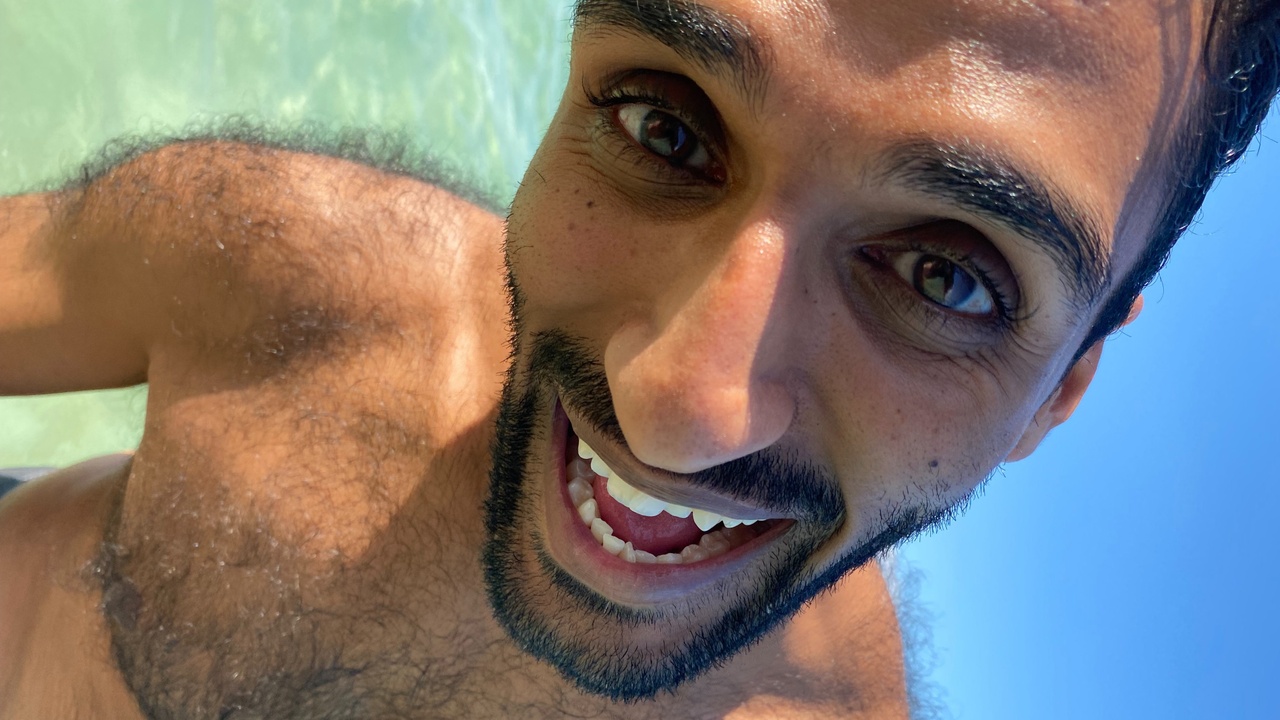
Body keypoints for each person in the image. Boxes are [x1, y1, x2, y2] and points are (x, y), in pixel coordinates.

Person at [1, 0, 1276, 717]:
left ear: (1060, 390)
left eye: (945, 277)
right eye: (661, 124)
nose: (674, 407)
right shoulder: (290, 282)